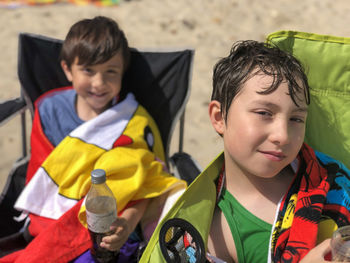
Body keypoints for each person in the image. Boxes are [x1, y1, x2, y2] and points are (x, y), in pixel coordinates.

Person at [139, 40, 350, 263]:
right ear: (219, 117)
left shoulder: (329, 178)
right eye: (264, 113)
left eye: (296, 119)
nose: (283, 135)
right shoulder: (211, 232)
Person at [0, 16, 186, 263]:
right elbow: (43, 179)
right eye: (88, 70)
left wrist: (127, 226)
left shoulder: (134, 122)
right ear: (68, 69)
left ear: (123, 72)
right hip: (52, 220)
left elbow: (146, 184)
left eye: (111, 72)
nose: (99, 83)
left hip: (113, 224)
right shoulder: (49, 110)